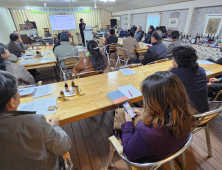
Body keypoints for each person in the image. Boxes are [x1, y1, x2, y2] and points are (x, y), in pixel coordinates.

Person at [116, 71, 194, 163]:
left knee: (118, 124)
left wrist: (128, 122)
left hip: (151, 159)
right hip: (172, 150)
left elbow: (128, 153)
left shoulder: (146, 133)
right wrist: (145, 116)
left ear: (153, 103)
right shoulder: (188, 116)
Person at [0, 71, 71, 170]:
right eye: (17, 90)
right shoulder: (35, 122)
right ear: (11, 102)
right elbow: (64, 146)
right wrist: (55, 126)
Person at [168, 46, 209, 113]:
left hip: (185, 117)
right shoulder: (201, 70)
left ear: (175, 59)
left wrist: (168, 71)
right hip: (203, 115)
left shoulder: (173, 74)